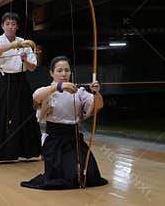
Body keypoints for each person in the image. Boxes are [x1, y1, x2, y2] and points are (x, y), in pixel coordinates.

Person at [20, 56, 108, 190]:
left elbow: (98, 105)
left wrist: (97, 93)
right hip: (54, 141)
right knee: (65, 178)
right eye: (59, 70)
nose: (63, 74)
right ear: (51, 73)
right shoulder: (46, 91)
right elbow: (36, 97)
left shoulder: (79, 92)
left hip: (74, 140)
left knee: (89, 175)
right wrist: (60, 86)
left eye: (67, 70)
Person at [0, 12, 41, 166]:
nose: (10, 26)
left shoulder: (25, 42)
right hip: (5, 80)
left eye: (13, 24)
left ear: (17, 26)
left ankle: (35, 151)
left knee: (26, 115)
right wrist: (16, 45)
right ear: (3, 26)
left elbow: (31, 67)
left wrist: (25, 59)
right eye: (7, 24)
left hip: (21, 81)